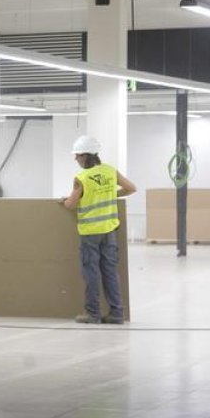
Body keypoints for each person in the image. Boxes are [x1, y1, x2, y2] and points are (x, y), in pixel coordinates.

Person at [61, 135, 136, 324]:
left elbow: (71, 205)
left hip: (90, 233)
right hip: (109, 230)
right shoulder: (110, 171)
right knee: (110, 271)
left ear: (85, 156)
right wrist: (111, 194)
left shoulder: (82, 178)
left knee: (91, 272)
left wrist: (65, 200)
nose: (75, 159)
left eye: (77, 155)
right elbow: (131, 188)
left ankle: (93, 314)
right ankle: (117, 313)